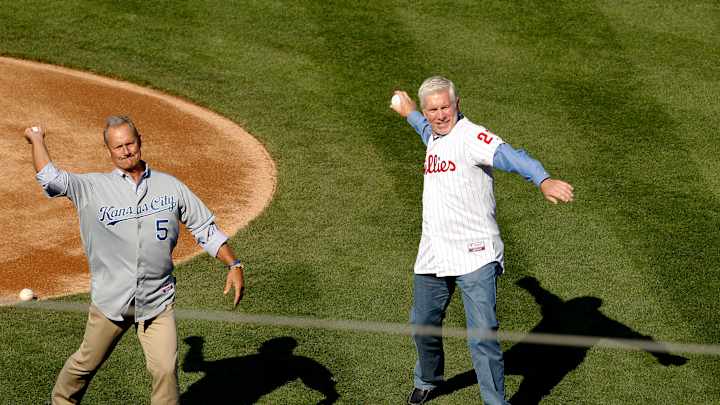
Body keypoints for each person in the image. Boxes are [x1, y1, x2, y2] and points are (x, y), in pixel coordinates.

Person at [23, 116, 247, 405]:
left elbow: (204, 227)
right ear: (108, 151)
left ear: (140, 141)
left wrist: (233, 264)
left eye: (130, 143)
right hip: (111, 301)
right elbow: (49, 178)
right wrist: (37, 139)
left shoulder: (170, 187)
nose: (126, 151)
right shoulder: (92, 187)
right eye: (118, 146)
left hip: (157, 300)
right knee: (84, 365)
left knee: (165, 371)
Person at [390, 76, 574, 405]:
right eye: (433, 110)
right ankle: (428, 379)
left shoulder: (472, 137)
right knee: (423, 324)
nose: (440, 115)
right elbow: (425, 129)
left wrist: (542, 179)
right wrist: (410, 112)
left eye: (445, 107)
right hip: (434, 251)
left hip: (475, 254)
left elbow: (510, 156)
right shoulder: (434, 133)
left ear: (457, 104)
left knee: (482, 336)